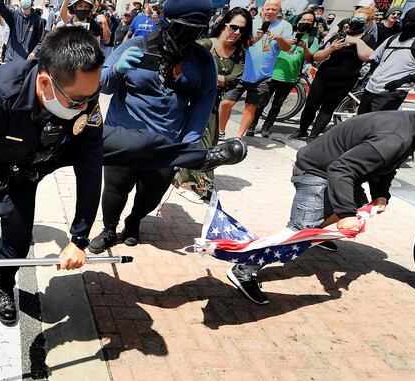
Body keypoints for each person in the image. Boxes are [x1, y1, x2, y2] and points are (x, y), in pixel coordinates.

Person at [0, 26, 245, 325]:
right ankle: (5, 284)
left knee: (138, 142)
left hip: (61, 144)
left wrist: (79, 238)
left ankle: (201, 157)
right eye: (77, 101)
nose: (86, 106)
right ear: (45, 83)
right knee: (16, 243)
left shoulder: (83, 98)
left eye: (92, 96)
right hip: (17, 167)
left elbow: (89, 169)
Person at [227, 99, 415, 305]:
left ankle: (316, 231)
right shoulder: (395, 138)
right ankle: (244, 267)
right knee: (299, 230)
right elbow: (341, 169)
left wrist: (381, 194)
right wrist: (345, 214)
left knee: (358, 204)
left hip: (335, 168)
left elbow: (385, 166)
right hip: (315, 171)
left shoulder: (411, 126)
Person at [88, 0, 227, 254]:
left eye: (195, 30)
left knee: (150, 194)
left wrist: (185, 148)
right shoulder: (135, 45)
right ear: (165, 22)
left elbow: (201, 107)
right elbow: (103, 85)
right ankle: (109, 229)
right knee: (115, 187)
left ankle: (134, 221)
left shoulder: (203, 61)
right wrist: (118, 69)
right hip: (124, 135)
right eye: (182, 28)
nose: (187, 35)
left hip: (166, 140)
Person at [177, 7, 251, 203]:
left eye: (242, 30)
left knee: (209, 141)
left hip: (212, 104)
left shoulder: (239, 54)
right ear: (224, 24)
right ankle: (183, 179)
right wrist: (218, 79)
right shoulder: (203, 45)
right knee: (187, 137)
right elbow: (187, 72)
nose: (236, 33)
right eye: (233, 27)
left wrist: (209, 77)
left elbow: (234, 80)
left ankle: (199, 182)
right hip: (189, 100)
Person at [290, 7, 375, 141]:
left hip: (345, 81)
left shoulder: (368, 38)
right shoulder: (338, 35)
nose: (357, 21)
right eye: (355, 18)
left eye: (361, 19)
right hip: (324, 76)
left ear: (367, 22)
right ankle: (302, 130)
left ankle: (313, 136)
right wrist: (331, 48)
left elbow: (366, 57)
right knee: (310, 106)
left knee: (327, 109)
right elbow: (316, 57)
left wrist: (357, 41)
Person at [219, 0, 292, 138]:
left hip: (263, 76)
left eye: (274, 9)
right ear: (262, 9)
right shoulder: (251, 22)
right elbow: (240, 45)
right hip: (241, 72)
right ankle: (220, 131)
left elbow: (287, 47)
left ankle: (239, 137)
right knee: (226, 103)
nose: (270, 12)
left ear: (279, 11)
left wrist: (278, 38)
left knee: (251, 107)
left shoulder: (284, 26)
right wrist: (256, 38)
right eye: (268, 9)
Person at [357, 7, 415, 114]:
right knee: (360, 123)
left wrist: (402, 81)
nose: (407, 24)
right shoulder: (393, 38)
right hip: (370, 88)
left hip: (392, 93)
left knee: (376, 126)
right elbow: (374, 58)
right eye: (406, 20)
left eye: (413, 22)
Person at [251, 10, 318, 138]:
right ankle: (252, 125)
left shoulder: (312, 39)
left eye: (309, 21)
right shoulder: (287, 32)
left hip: (290, 76)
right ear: (298, 20)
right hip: (272, 73)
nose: (305, 22)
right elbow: (269, 47)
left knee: (277, 105)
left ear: (313, 24)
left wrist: (304, 47)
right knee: (261, 102)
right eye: (303, 19)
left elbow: (310, 58)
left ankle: (267, 127)